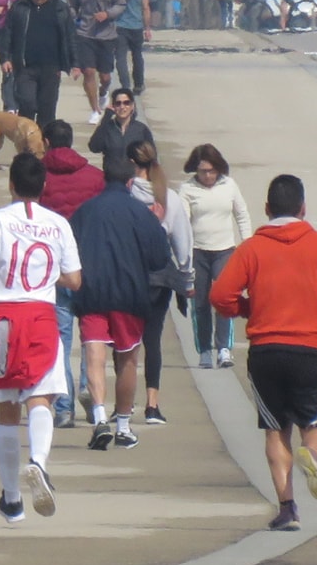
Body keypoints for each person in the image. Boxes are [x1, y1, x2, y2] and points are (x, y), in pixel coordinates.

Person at [210, 175, 317, 531]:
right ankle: (311, 452)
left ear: (267, 210)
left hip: (266, 351)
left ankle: (287, 508)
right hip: (311, 349)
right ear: (303, 208)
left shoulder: (251, 249)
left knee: (275, 428)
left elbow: (221, 297)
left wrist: (250, 310)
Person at [0, 152, 83, 525]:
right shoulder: (59, 224)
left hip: (5, 316)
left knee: (6, 409)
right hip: (42, 314)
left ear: (10, 184)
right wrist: (50, 276)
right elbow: (75, 279)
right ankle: (39, 462)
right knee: (41, 397)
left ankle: (11, 499)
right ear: (44, 186)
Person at [69, 154, 174, 452]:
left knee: (94, 354)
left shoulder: (84, 212)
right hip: (130, 295)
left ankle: (100, 416)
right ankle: (124, 427)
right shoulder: (142, 214)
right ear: (130, 182)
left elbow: (69, 250)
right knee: (128, 359)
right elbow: (159, 260)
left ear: (104, 178)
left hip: (92, 292)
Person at [39, 118, 105, 425]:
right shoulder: (94, 176)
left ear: (47, 141)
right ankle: (89, 390)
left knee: (60, 337)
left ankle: (63, 407)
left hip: (55, 267)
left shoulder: (39, 176)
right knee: (92, 334)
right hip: (89, 262)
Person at [128, 141, 193, 427]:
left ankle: (124, 401)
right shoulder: (169, 196)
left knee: (125, 340)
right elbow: (182, 240)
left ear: (131, 162)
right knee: (152, 340)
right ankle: (152, 404)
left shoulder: (126, 193)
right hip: (159, 274)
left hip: (128, 272)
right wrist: (187, 277)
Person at [180, 144, 252, 369]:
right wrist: (184, 258)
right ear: (196, 170)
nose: (208, 175)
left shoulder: (229, 185)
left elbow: (242, 215)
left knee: (224, 300)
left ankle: (223, 348)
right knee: (200, 303)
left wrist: (247, 245)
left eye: (212, 170)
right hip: (198, 252)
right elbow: (182, 224)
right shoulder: (187, 189)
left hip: (225, 251)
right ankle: (204, 350)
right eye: (203, 171)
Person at [2, 0, 76, 127]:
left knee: (47, 110)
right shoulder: (19, 7)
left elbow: (70, 37)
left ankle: (44, 146)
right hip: (25, 66)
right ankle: (26, 144)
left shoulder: (60, 9)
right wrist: (5, 58)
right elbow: (7, 34)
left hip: (51, 67)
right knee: (27, 104)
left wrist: (74, 63)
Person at [67, 0, 127, 124]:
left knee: (105, 76)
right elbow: (71, 5)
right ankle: (95, 109)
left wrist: (108, 14)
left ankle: (103, 92)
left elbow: (121, 4)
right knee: (89, 71)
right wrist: (74, 18)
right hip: (84, 33)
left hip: (106, 35)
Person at [88, 88, 157, 174]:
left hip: (135, 180)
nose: (122, 107)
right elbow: (94, 147)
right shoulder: (107, 128)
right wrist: (106, 119)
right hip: (112, 180)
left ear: (132, 106)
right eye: (118, 103)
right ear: (113, 106)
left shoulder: (141, 129)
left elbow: (152, 157)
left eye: (126, 103)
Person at [115, 0, 154, 93]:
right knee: (137, 55)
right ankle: (138, 83)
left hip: (119, 25)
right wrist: (147, 27)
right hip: (137, 25)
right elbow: (145, 7)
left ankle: (125, 85)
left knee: (120, 57)